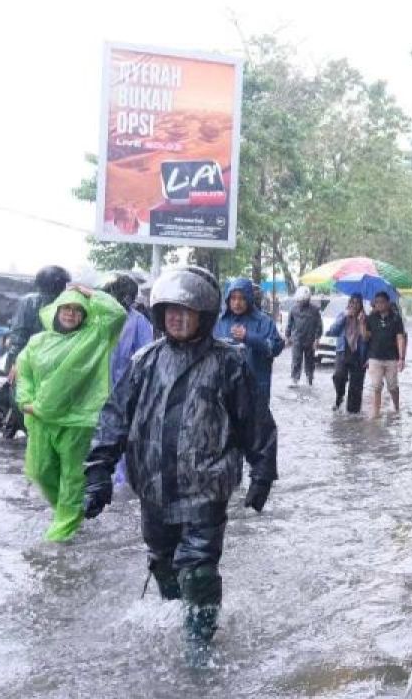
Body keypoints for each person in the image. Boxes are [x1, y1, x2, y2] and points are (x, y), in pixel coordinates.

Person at [82, 266, 278, 660]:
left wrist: (262, 473)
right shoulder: (145, 360)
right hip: (153, 486)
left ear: (204, 317)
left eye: (186, 312)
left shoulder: (229, 363)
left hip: (207, 486)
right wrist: (99, 473)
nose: (177, 318)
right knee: (162, 562)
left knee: (199, 568)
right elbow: (115, 418)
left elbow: (255, 421)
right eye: (170, 311)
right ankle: (177, 613)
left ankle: (199, 645)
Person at [15, 285, 126, 541]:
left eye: (78, 310)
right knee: (41, 472)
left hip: (79, 421)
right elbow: (25, 373)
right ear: (56, 309)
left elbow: (116, 314)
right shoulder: (38, 342)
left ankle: (60, 536)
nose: (71, 314)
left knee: (73, 478)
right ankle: (68, 512)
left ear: (85, 315)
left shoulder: (95, 337)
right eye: (67, 307)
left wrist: (85, 291)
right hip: (41, 419)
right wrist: (26, 402)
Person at [99, 272, 155, 486]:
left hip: (125, 395)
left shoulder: (138, 322)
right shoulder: (97, 319)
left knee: (122, 443)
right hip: (97, 394)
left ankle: (122, 486)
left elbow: (145, 361)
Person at [213, 277, 284, 411]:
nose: (237, 303)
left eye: (242, 298)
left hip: (256, 388)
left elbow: (275, 347)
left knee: (255, 428)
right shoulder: (220, 322)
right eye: (233, 298)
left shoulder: (263, 321)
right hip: (225, 389)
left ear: (249, 299)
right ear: (227, 299)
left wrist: (249, 337)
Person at [5, 265, 71, 375]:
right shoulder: (66, 302)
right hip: (48, 363)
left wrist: (13, 363)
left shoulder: (29, 302)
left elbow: (18, 337)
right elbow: (18, 337)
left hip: (41, 362)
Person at [366, 291, 406, 418]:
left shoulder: (395, 318)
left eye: (382, 302)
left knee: (392, 386)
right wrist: (362, 323)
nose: (379, 304)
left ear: (388, 303)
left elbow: (400, 338)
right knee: (376, 386)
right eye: (377, 302)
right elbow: (365, 336)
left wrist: (401, 358)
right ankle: (376, 413)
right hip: (375, 357)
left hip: (391, 358)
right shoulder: (370, 318)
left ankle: (396, 407)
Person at [328, 294, 371, 413]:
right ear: (349, 304)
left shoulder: (366, 319)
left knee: (356, 388)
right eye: (352, 302)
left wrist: (362, 323)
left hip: (359, 356)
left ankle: (353, 418)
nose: (354, 305)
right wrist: (344, 317)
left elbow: (369, 340)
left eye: (357, 303)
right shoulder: (343, 315)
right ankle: (339, 396)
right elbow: (332, 331)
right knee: (338, 376)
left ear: (361, 305)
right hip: (343, 352)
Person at [284, 286, 323, 386]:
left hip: (310, 340)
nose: (300, 302)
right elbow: (289, 324)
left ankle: (309, 377)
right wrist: (287, 337)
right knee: (296, 359)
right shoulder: (293, 309)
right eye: (299, 300)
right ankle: (294, 379)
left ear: (308, 299)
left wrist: (317, 339)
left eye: (303, 300)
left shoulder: (315, 310)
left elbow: (319, 325)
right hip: (297, 339)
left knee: (310, 360)